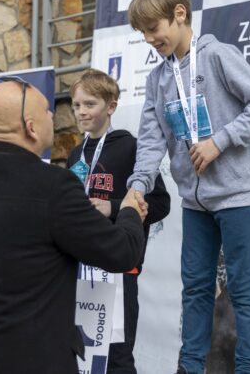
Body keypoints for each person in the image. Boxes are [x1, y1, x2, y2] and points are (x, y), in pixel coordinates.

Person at [0, 77, 148, 374]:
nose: (54, 116)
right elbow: (121, 252)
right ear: (31, 126)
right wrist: (128, 211)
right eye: (48, 110)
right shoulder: (53, 187)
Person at [126, 0, 250, 374]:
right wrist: (137, 187)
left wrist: (220, 141)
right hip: (195, 203)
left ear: (179, 14)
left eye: (152, 29)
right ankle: (189, 367)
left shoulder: (216, 56)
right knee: (195, 290)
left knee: (244, 292)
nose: (148, 39)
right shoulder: (158, 78)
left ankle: (248, 369)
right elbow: (150, 141)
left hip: (237, 197)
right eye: (142, 32)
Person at [66, 69, 171, 374]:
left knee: (117, 358)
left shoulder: (131, 148)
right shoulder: (75, 154)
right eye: (76, 105)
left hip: (118, 271)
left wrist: (113, 207)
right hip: (80, 269)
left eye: (90, 104)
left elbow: (161, 203)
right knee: (81, 353)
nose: (82, 112)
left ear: (111, 106)